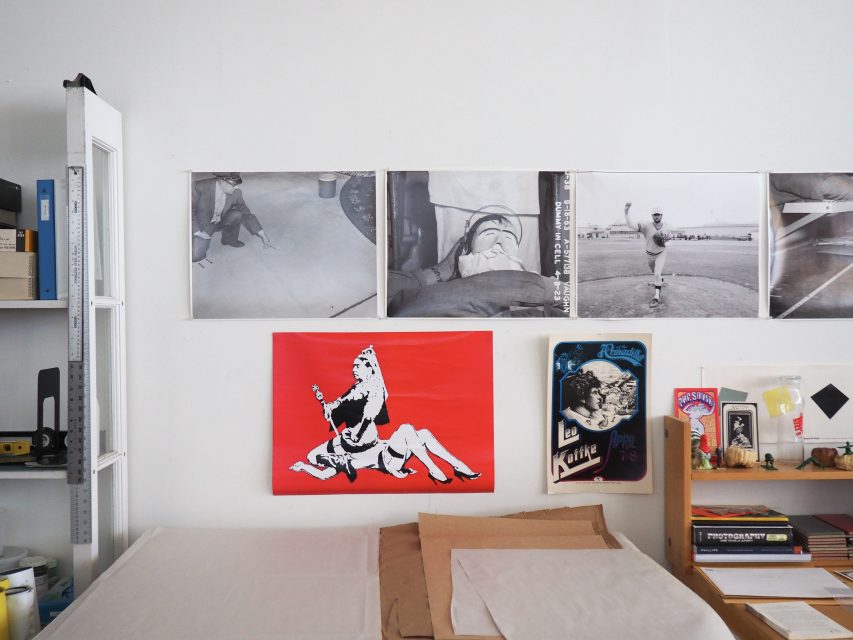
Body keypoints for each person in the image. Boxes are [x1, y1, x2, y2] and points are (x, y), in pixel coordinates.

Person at [290, 345, 480, 484]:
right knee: (407, 429)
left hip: (386, 449)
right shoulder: (347, 458)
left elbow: (359, 411)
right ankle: (435, 468)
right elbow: (321, 469)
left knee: (423, 434)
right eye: (354, 366)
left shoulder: (364, 389)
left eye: (358, 366)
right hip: (389, 459)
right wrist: (306, 466)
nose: (353, 369)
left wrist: (331, 407)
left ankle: (456, 465)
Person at [191, 172, 273, 262]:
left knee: (237, 214)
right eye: (233, 185)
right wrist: (196, 231)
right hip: (202, 225)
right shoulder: (198, 186)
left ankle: (229, 239)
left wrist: (263, 235)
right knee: (196, 257)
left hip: (219, 220)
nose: (236, 188)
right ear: (222, 181)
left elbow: (247, 213)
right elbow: (188, 210)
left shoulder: (236, 193)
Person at [624, 202, 672, 308]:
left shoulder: (667, 227)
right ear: (652, 216)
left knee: (656, 274)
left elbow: (669, 242)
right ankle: (660, 280)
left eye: (658, 214)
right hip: (650, 255)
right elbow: (631, 225)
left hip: (661, 253)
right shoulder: (646, 226)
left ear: (661, 215)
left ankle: (656, 297)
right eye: (655, 214)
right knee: (655, 273)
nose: (656, 216)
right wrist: (626, 212)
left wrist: (664, 242)